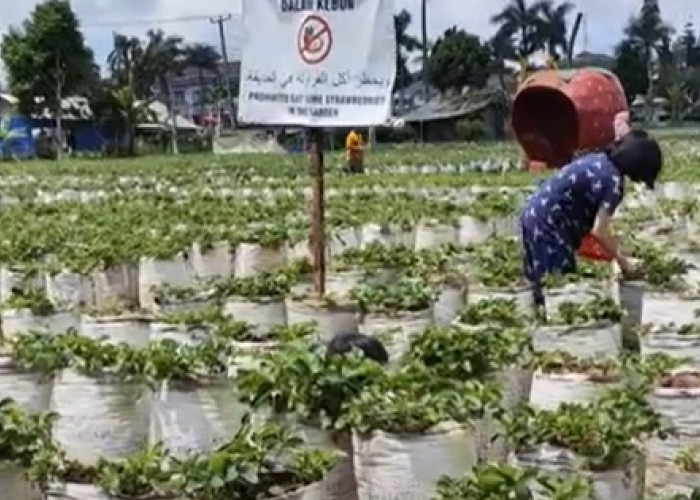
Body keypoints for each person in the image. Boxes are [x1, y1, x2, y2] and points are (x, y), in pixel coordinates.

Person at [519, 118, 663, 311]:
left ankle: (540, 323)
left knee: (539, 280)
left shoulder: (599, 161)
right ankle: (556, 330)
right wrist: (624, 261)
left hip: (534, 215)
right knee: (558, 285)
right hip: (550, 226)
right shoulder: (613, 183)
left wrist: (616, 247)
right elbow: (599, 231)